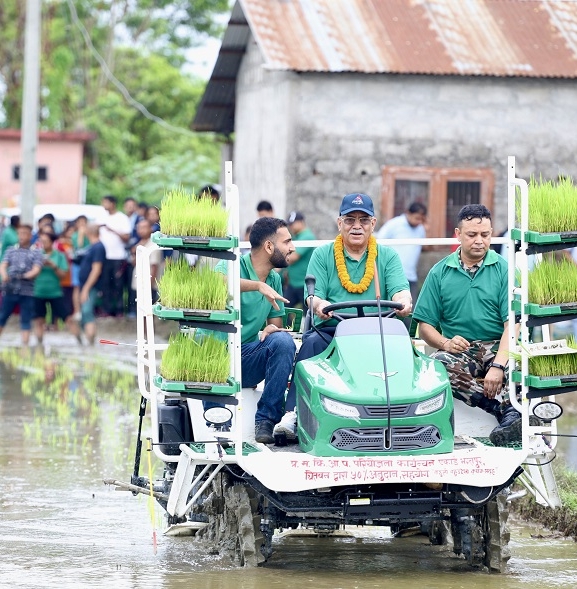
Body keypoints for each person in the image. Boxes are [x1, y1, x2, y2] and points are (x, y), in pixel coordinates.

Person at [274, 193, 412, 439]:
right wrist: (319, 304)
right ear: (339, 223)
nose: (356, 226)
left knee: (405, 348)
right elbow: (312, 295)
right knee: (311, 343)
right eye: (350, 220)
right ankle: (293, 414)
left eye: (363, 220)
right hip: (333, 330)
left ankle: (406, 415)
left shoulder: (387, 256)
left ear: (373, 223)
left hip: (379, 331)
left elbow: (401, 291)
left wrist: (404, 300)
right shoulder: (323, 254)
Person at [412, 204, 526, 446]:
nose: (479, 241)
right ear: (458, 234)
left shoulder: (504, 270)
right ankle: (502, 410)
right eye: (472, 235)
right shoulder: (439, 272)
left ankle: (515, 415)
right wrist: (445, 342)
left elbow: (512, 326)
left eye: (485, 235)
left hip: (500, 344)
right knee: (439, 365)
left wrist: (497, 365)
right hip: (462, 349)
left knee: (521, 364)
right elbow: (425, 327)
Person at [205, 217, 296, 444]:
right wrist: (256, 285)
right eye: (287, 242)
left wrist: (272, 328)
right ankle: (218, 426)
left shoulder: (274, 279)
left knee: (283, 342)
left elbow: (275, 323)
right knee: (219, 438)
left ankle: (266, 420)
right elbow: (218, 283)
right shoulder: (231, 263)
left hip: (245, 356)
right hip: (216, 361)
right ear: (268, 246)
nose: (292, 248)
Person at [32, 230, 81, 344]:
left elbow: (63, 275)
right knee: (39, 320)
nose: (43, 244)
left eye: (46, 241)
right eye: (41, 241)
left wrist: (53, 265)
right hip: (38, 291)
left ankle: (80, 341)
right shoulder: (36, 255)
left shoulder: (59, 255)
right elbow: (32, 273)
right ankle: (39, 344)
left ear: (52, 242)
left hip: (55, 292)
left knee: (67, 318)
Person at [0, 224, 44, 345]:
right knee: (2, 316)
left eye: (25, 233)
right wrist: (5, 275)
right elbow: (3, 265)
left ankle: (25, 344)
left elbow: (36, 269)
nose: (22, 236)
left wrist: (24, 276)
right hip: (10, 289)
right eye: (20, 233)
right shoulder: (11, 249)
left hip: (27, 290)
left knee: (26, 319)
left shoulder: (36, 252)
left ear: (30, 235)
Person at [376, 202, 427, 303]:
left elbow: (423, 247)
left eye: (421, 219)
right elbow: (378, 242)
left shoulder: (420, 229)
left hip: (411, 276)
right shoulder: (394, 224)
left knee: (409, 310)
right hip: (392, 276)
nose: (418, 221)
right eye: (417, 218)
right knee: (390, 311)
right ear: (408, 213)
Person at [96, 196, 131, 317]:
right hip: (104, 256)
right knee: (106, 284)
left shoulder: (122, 218)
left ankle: (120, 310)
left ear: (113, 203)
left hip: (118, 256)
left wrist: (112, 230)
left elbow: (127, 237)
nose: (104, 205)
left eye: (106, 202)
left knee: (118, 284)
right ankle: (107, 310)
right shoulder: (101, 217)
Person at [78, 223, 106, 345]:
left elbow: (96, 269)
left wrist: (86, 288)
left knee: (87, 311)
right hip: (86, 285)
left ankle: (91, 343)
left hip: (91, 286)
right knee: (84, 313)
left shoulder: (98, 247)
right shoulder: (92, 246)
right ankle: (88, 341)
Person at [283, 211, 316, 308]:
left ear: (301, 222)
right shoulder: (296, 237)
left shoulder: (307, 236)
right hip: (293, 283)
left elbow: (293, 257)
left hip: (304, 283)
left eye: (293, 224)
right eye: (289, 224)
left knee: (309, 313)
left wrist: (276, 263)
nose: (291, 226)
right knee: (283, 310)